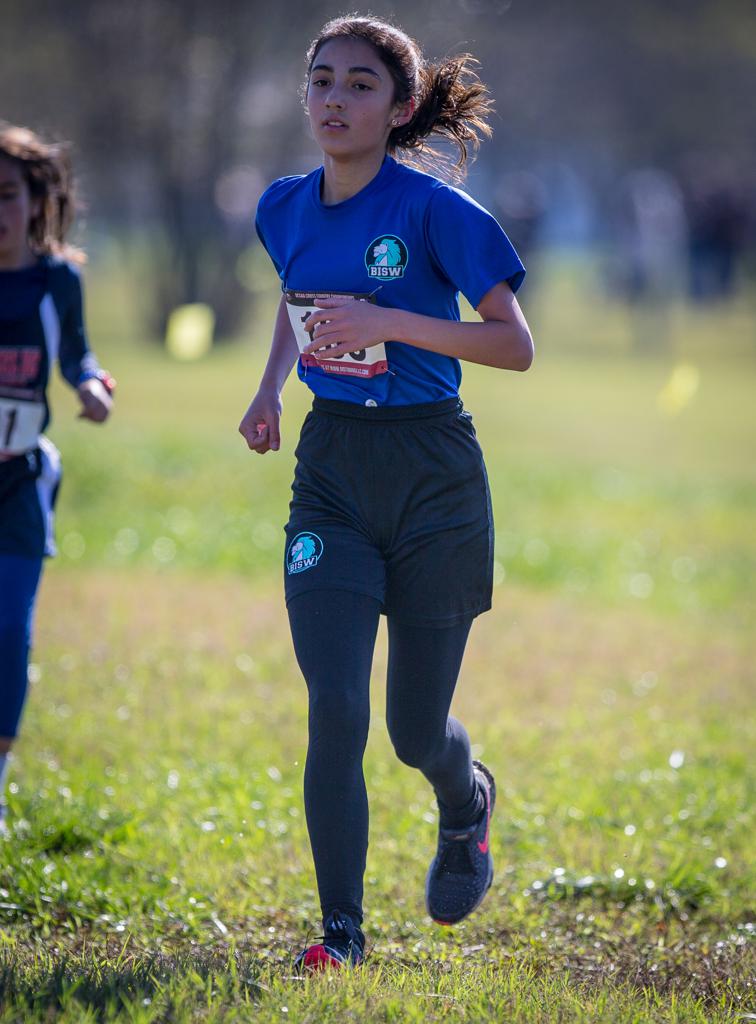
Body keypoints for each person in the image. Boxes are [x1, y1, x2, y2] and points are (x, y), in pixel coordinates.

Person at [239, 16, 533, 969]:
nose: (334, 99)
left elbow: (513, 345)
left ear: (399, 108)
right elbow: (300, 304)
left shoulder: (438, 211)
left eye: (360, 85)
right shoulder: (281, 205)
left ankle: (466, 800)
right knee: (336, 706)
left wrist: (394, 323)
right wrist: (270, 388)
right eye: (321, 80)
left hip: (434, 475)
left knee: (412, 731)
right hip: (332, 472)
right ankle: (342, 936)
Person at [0, 124, 114, 831]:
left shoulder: (57, 280)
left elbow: (77, 353)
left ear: (35, 200)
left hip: (19, 485)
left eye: (6, 194)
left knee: (10, 628)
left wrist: (93, 382)